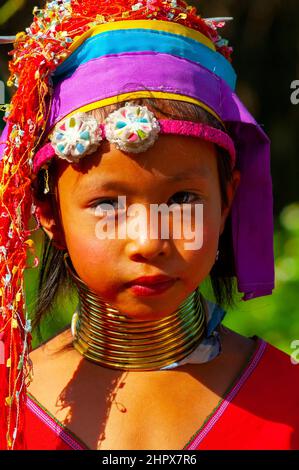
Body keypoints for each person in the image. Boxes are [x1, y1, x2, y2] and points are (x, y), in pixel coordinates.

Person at [0, 0, 298, 451]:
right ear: (50, 217)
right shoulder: (11, 411)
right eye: (108, 205)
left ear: (226, 201)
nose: (149, 241)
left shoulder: (286, 397)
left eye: (182, 200)